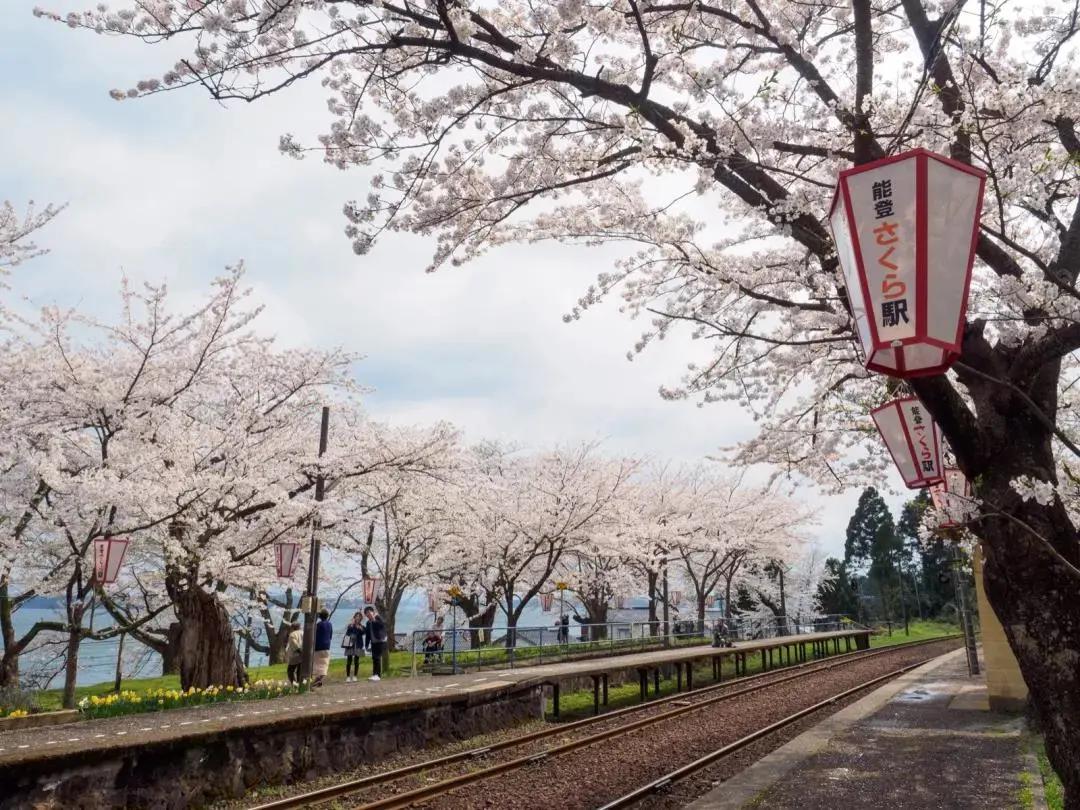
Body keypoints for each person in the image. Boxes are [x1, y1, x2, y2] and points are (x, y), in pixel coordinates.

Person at [364, 605, 388, 681]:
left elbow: (382, 626)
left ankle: (378, 675)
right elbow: (367, 635)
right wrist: (366, 645)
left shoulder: (378, 618)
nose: (368, 614)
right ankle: (375, 674)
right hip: (374, 642)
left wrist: (374, 619)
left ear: (373, 612)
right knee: (374, 658)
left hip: (381, 641)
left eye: (369, 612)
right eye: (366, 613)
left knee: (377, 657)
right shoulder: (368, 623)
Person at [343, 612, 366, 682]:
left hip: (358, 644)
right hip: (350, 644)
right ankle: (348, 676)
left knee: (356, 660)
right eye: (356, 616)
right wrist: (352, 625)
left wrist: (359, 628)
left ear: (361, 618)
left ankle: (355, 676)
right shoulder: (350, 625)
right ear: (354, 617)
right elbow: (348, 633)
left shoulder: (362, 626)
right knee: (349, 660)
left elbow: (364, 632)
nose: (358, 617)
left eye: (359, 616)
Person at [313, 609, 333, 686]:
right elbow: (330, 635)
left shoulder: (318, 625)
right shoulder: (330, 624)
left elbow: (314, 635)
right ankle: (319, 680)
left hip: (318, 646)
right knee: (324, 664)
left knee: (317, 664)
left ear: (319, 616)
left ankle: (317, 680)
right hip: (327, 646)